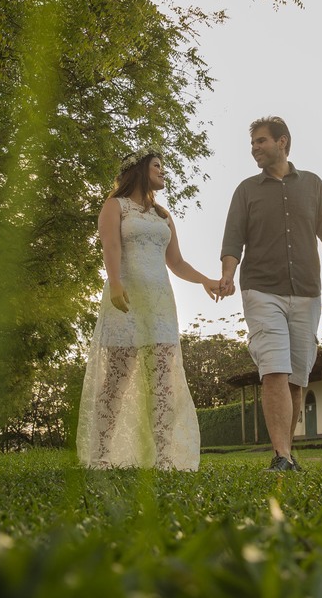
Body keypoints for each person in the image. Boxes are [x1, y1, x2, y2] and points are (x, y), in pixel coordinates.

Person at [77, 149, 219, 470]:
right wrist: (114, 282)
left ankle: (164, 458)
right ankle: (100, 455)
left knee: (163, 382)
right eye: (158, 166)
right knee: (116, 380)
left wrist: (205, 280)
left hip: (160, 305)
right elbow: (110, 246)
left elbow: (177, 262)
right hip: (125, 301)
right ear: (140, 170)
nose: (163, 171)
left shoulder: (162, 214)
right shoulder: (115, 206)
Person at [218, 116, 322, 472]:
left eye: (261, 141)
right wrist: (227, 274)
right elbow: (232, 240)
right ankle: (281, 456)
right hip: (261, 290)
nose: (254, 148)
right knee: (274, 368)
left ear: (282, 142)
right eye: (253, 143)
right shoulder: (246, 190)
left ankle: (286, 451)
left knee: (296, 377)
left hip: (306, 291)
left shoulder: (313, 185)